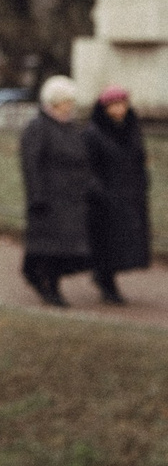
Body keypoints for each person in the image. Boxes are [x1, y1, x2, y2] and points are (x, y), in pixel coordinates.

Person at [19, 74, 98, 307]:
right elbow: (31, 164)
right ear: (53, 102)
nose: (69, 106)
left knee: (64, 249)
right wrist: (37, 195)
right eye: (65, 101)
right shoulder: (38, 127)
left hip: (72, 199)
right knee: (51, 248)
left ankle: (44, 280)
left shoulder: (71, 127)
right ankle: (49, 287)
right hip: (49, 199)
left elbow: (82, 160)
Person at [87, 85, 151, 306]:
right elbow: (89, 166)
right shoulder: (94, 133)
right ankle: (106, 281)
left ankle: (107, 278)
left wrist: (143, 182)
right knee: (107, 242)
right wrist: (99, 191)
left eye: (122, 104)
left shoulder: (132, 129)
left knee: (124, 241)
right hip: (106, 197)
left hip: (130, 194)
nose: (119, 109)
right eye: (113, 105)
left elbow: (139, 159)